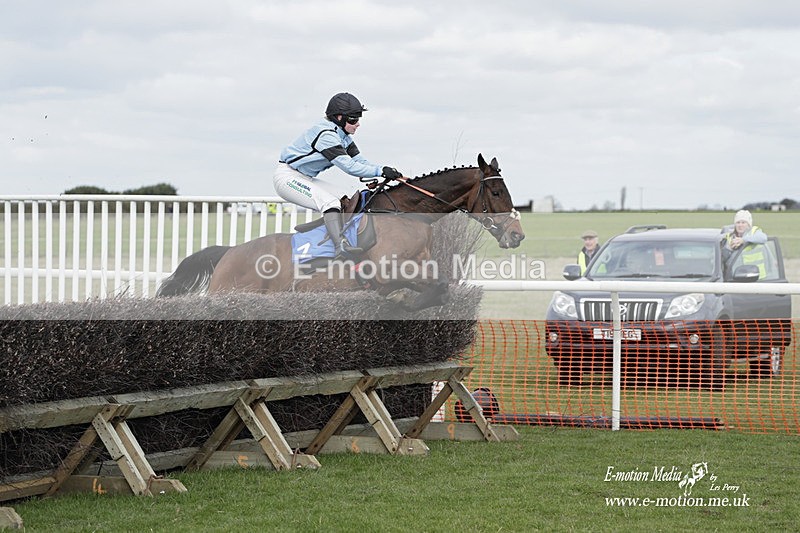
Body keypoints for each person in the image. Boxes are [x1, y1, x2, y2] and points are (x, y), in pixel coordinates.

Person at [273, 92, 403, 258]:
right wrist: (380, 171)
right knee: (330, 203)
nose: (358, 124)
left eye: (358, 119)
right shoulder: (326, 135)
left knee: (347, 198)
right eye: (353, 120)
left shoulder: (343, 136)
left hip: (304, 177)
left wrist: (386, 170)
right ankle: (339, 247)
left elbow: (360, 162)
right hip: (287, 178)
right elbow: (350, 167)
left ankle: (343, 237)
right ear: (339, 117)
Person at [723, 209, 768, 278]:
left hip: (757, 277)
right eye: (738, 222)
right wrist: (729, 249)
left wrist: (743, 240)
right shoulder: (730, 237)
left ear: (748, 224)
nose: (740, 225)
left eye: (743, 222)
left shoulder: (754, 232)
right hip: (736, 277)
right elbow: (724, 258)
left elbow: (763, 238)